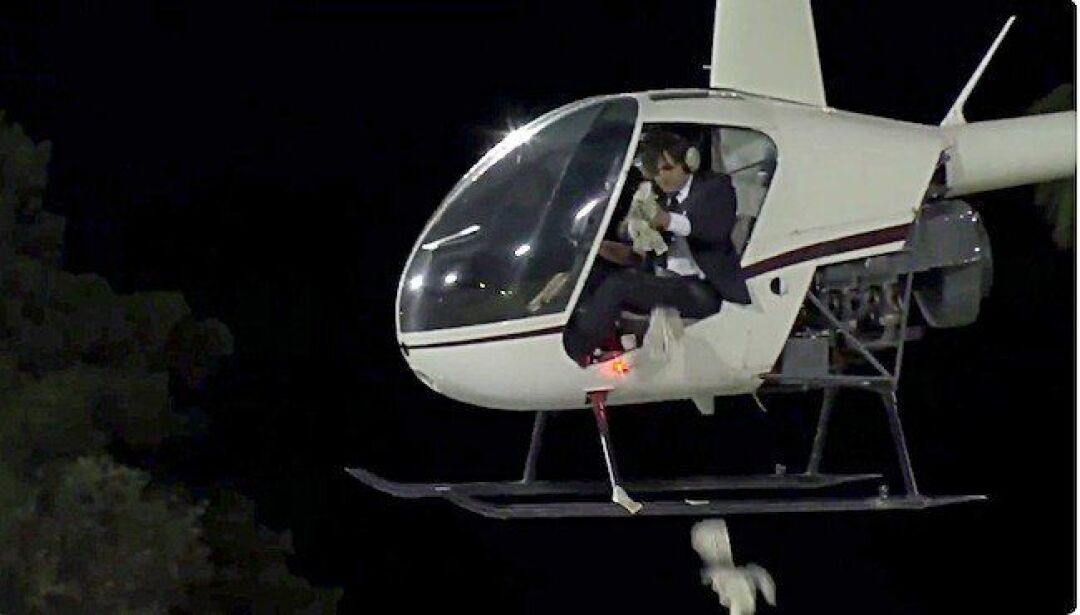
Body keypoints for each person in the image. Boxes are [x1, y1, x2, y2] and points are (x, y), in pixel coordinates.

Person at [562, 130, 751, 366]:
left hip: (704, 289)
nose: (661, 177)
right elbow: (638, 257)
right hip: (665, 282)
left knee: (620, 286)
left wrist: (664, 219)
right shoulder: (658, 199)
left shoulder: (714, 187)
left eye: (667, 168)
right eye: (655, 170)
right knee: (599, 276)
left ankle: (573, 351)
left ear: (689, 163)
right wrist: (600, 248)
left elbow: (710, 228)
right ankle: (577, 337)